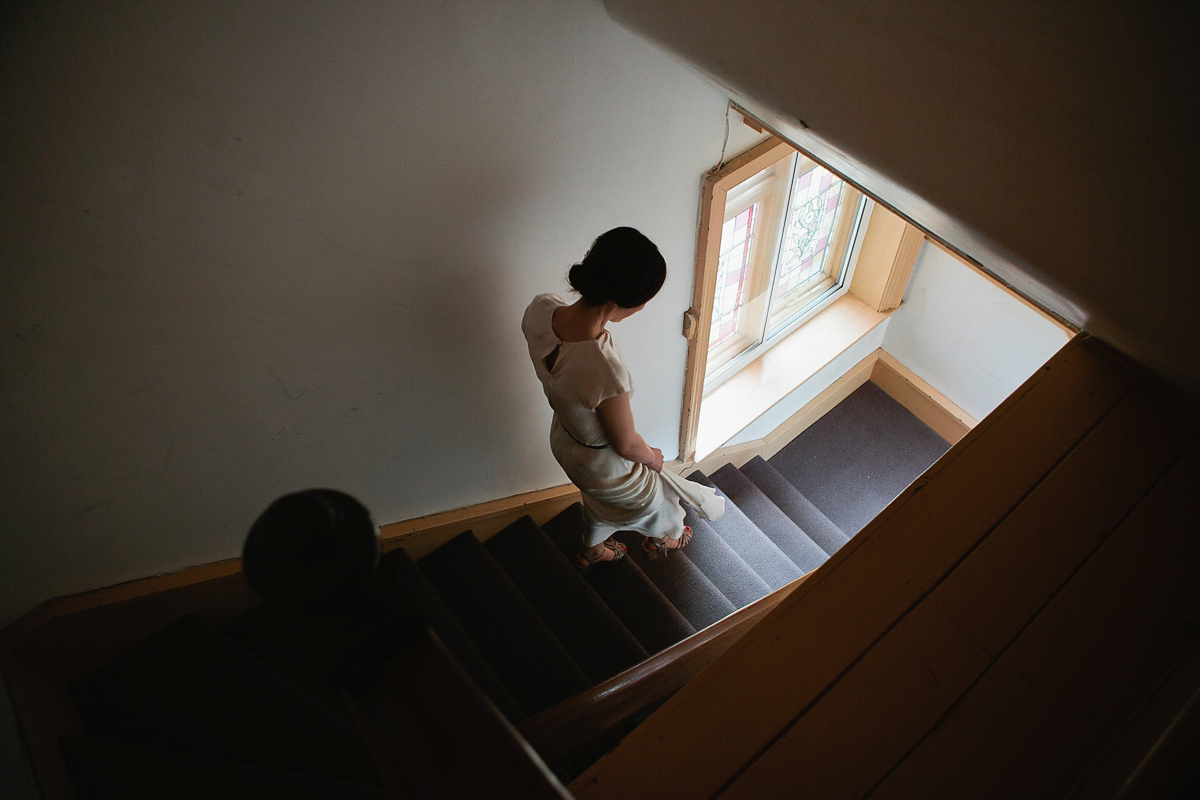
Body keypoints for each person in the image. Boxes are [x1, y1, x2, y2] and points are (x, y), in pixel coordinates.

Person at [522, 227, 696, 571]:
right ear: (627, 303)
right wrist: (654, 458)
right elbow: (627, 445)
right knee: (664, 499)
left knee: (598, 501)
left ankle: (593, 551)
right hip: (602, 463)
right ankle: (667, 537)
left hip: (565, 440)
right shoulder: (606, 372)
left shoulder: (540, 308)